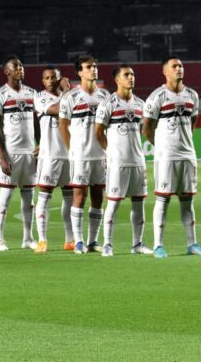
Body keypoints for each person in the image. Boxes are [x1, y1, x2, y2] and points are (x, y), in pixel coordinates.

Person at [143, 57, 201, 258]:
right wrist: (162, 145)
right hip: (166, 156)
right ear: (165, 72)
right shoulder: (158, 96)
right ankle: (158, 246)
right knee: (163, 199)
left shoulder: (192, 95)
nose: (179, 69)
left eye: (180, 66)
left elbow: (193, 121)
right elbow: (146, 128)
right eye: (174, 66)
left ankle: (193, 244)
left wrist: (185, 141)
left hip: (188, 154)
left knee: (187, 200)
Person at [95, 65, 151, 257]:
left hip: (137, 161)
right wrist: (111, 152)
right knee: (114, 203)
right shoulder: (108, 103)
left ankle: (137, 244)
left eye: (132, 74)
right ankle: (108, 244)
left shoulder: (141, 104)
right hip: (117, 163)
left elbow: (146, 130)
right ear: (117, 80)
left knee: (138, 203)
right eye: (126, 75)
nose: (131, 78)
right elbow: (98, 132)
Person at [59, 55, 111, 254]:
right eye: (89, 67)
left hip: (100, 155)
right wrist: (72, 149)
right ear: (79, 72)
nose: (93, 69)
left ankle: (92, 241)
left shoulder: (105, 96)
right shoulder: (70, 97)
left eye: (95, 66)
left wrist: (109, 150)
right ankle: (78, 241)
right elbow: (63, 126)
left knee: (98, 197)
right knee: (79, 197)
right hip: (80, 155)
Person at [0, 57, 38, 251]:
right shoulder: (0, 95)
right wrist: (2, 156)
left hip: (29, 154)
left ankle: (28, 238)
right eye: (16, 67)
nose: (20, 69)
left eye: (22, 66)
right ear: (7, 72)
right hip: (11, 153)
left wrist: (40, 144)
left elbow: (38, 121)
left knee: (28, 198)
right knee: (5, 196)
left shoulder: (32, 93)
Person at [32, 66, 75, 253]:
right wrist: (67, 92)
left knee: (70, 198)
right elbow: (57, 109)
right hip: (50, 155)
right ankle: (42, 240)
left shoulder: (71, 96)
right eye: (47, 78)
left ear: (60, 79)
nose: (50, 81)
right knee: (44, 196)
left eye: (53, 77)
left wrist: (68, 93)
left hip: (70, 154)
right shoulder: (40, 97)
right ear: (43, 81)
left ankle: (70, 239)